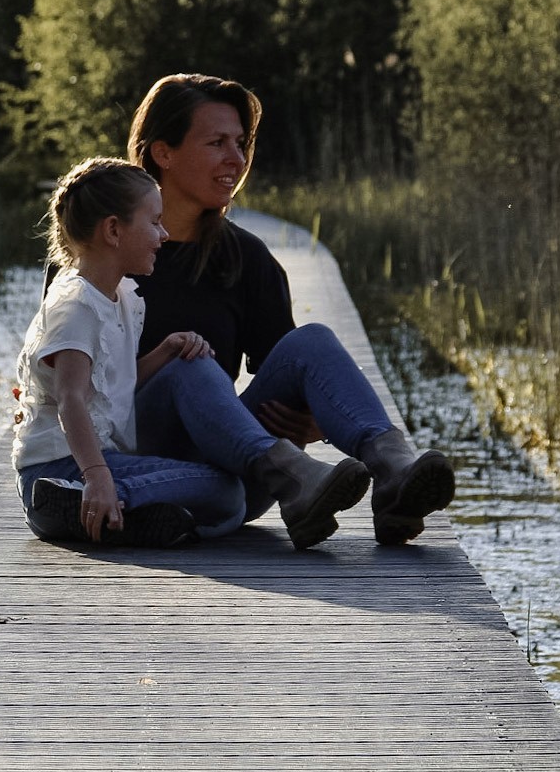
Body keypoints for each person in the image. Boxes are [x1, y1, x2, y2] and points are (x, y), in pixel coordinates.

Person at [128, 73, 457, 546]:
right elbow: (69, 380)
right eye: (216, 142)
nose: (236, 159)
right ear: (163, 152)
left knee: (312, 342)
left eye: (241, 143)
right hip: (137, 470)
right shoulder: (103, 252)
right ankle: (294, 476)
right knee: (188, 365)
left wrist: (314, 419)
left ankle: (394, 476)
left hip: (237, 466)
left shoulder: (246, 258)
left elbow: (291, 375)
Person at [13, 157, 371, 549]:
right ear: (113, 230)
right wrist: (97, 475)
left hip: (104, 461)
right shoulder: (75, 304)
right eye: (154, 222)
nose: (164, 234)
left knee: (228, 494)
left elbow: (112, 384)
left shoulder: (123, 298)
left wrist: (165, 352)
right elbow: (71, 399)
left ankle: (135, 520)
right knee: (226, 494)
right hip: (62, 469)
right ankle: (70, 505)